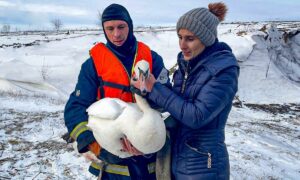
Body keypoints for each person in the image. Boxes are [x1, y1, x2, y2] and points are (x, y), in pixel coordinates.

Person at [131, 2, 239, 179]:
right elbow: (176, 107)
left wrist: (154, 88)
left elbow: (196, 116)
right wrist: (146, 94)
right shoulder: (186, 65)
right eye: (179, 37)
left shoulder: (224, 70)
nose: (182, 45)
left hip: (204, 167)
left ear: (206, 38)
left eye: (190, 39)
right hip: (178, 161)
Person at [64, 3, 169, 179]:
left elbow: (168, 100)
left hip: (152, 162)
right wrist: (96, 146)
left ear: (130, 25)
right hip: (113, 167)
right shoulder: (93, 65)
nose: (116, 34)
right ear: (104, 30)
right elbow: (76, 107)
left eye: (121, 27)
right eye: (110, 28)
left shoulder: (152, 59)